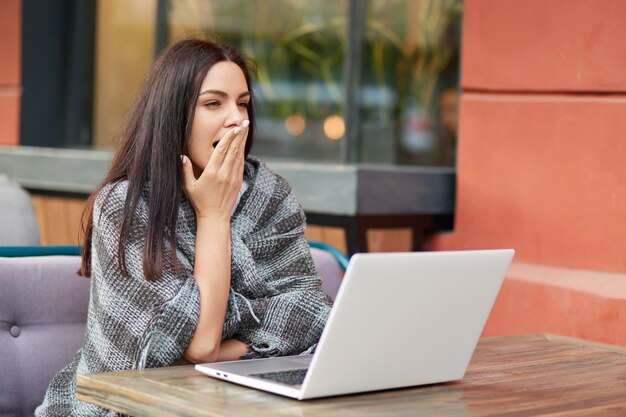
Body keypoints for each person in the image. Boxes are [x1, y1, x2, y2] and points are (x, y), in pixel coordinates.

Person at [36, 38, 333, 416]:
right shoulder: (125, 206)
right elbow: (199, 345)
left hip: (238, 402)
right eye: (213, 103)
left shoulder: (270, 197)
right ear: (174, 115)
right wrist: (213, 215)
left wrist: (225, 340)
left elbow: (313, 314)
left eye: (242, 103)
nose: (237, 119)